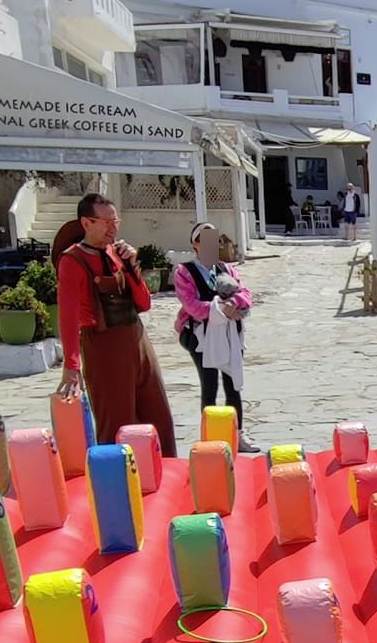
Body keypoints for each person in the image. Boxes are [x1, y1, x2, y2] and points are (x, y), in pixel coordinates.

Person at [53, 194, 175, 454]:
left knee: (158, 418)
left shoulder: (118, 254)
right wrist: (72, 365)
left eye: (115, 221)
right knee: (116, 424)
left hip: (137, 341)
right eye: (106, 222)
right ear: (87, 223)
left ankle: (166, 471)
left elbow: (144, 303)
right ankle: (116, 476)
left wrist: (131, 266)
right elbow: (68, 315)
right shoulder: (72, 261)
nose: (113, 228)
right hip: (103, 346)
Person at [172, 222, 259, 453]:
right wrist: (221, 309)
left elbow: (245, 294)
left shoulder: (226, 268)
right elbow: (191, 305)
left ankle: (238, 434)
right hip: (201, 336)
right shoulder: (185, 272)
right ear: (195, 243)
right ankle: (210, 438)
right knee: (209, 385)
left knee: (232, 385)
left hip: (229, 334)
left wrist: (234, 303)